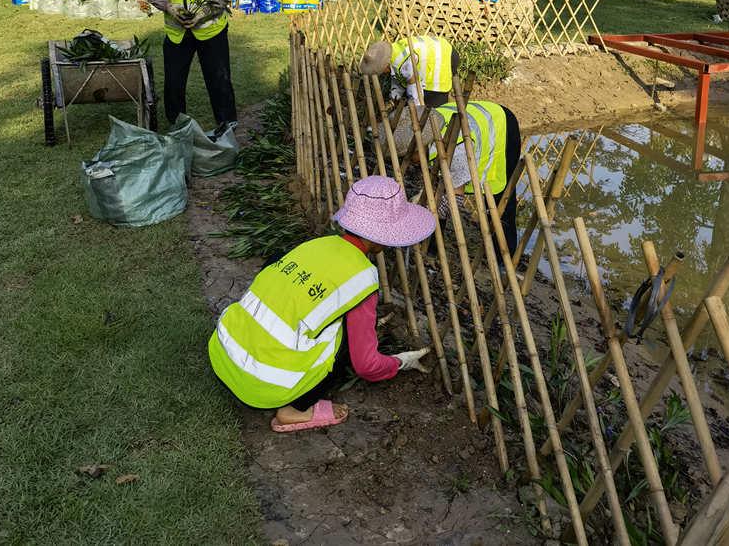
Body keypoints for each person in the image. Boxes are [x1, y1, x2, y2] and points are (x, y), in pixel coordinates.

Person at [208, 175, 436, 432]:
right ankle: (294, 410)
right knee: (344, 344)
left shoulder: (316, 245)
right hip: (262, 386)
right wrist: (400, 362)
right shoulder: (362, 277)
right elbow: (366, 365)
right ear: (381, 236)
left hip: (224, 352)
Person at [393, 100, 522, 258]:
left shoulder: (457, 151)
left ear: (422, 146)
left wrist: (426, 209)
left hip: (502, 127)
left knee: (501, 199)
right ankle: (431, 245)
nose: (407, 160)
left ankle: (503, 255)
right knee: (436, 195)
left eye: (409, 155)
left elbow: (454, 199)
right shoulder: (430, 125)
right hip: (474, 118)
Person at [146, 0, 238, 131]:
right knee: (174, 82)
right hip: (177, 33)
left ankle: (228, 123)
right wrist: (170, 7)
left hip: (210, 30)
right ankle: (178, 125)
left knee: (219, 78)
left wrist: (201, 14)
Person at [359, 35, 459, 108]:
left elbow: (414, 88)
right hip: (436, 49)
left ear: (384, 65)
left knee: (434, 103)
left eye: (379, 70)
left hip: (443, 55)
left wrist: (417, 110)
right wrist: (394, 98)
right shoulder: (392, 53)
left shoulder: (403, 63)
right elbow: (397, 79)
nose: (381, 73)